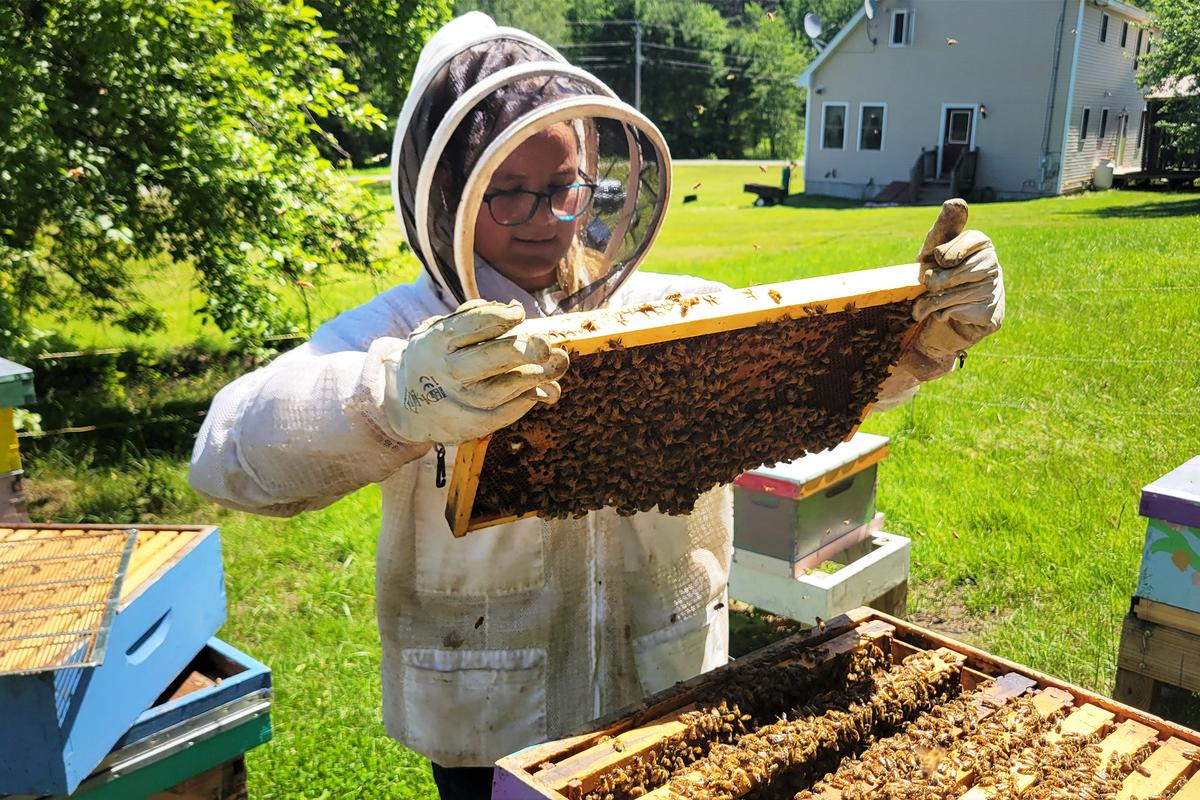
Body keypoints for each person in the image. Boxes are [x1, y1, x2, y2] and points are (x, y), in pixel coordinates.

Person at [188, 13, 1005, 800]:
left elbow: (808, 388)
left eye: (563, 188)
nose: (543, 220)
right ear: (448, 195)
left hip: (667, 683)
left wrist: (920, 339)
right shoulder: (404, 330)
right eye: (507, 193)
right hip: (488, 719)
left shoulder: (665, 307)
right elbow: (226, 454)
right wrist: (399, 396)